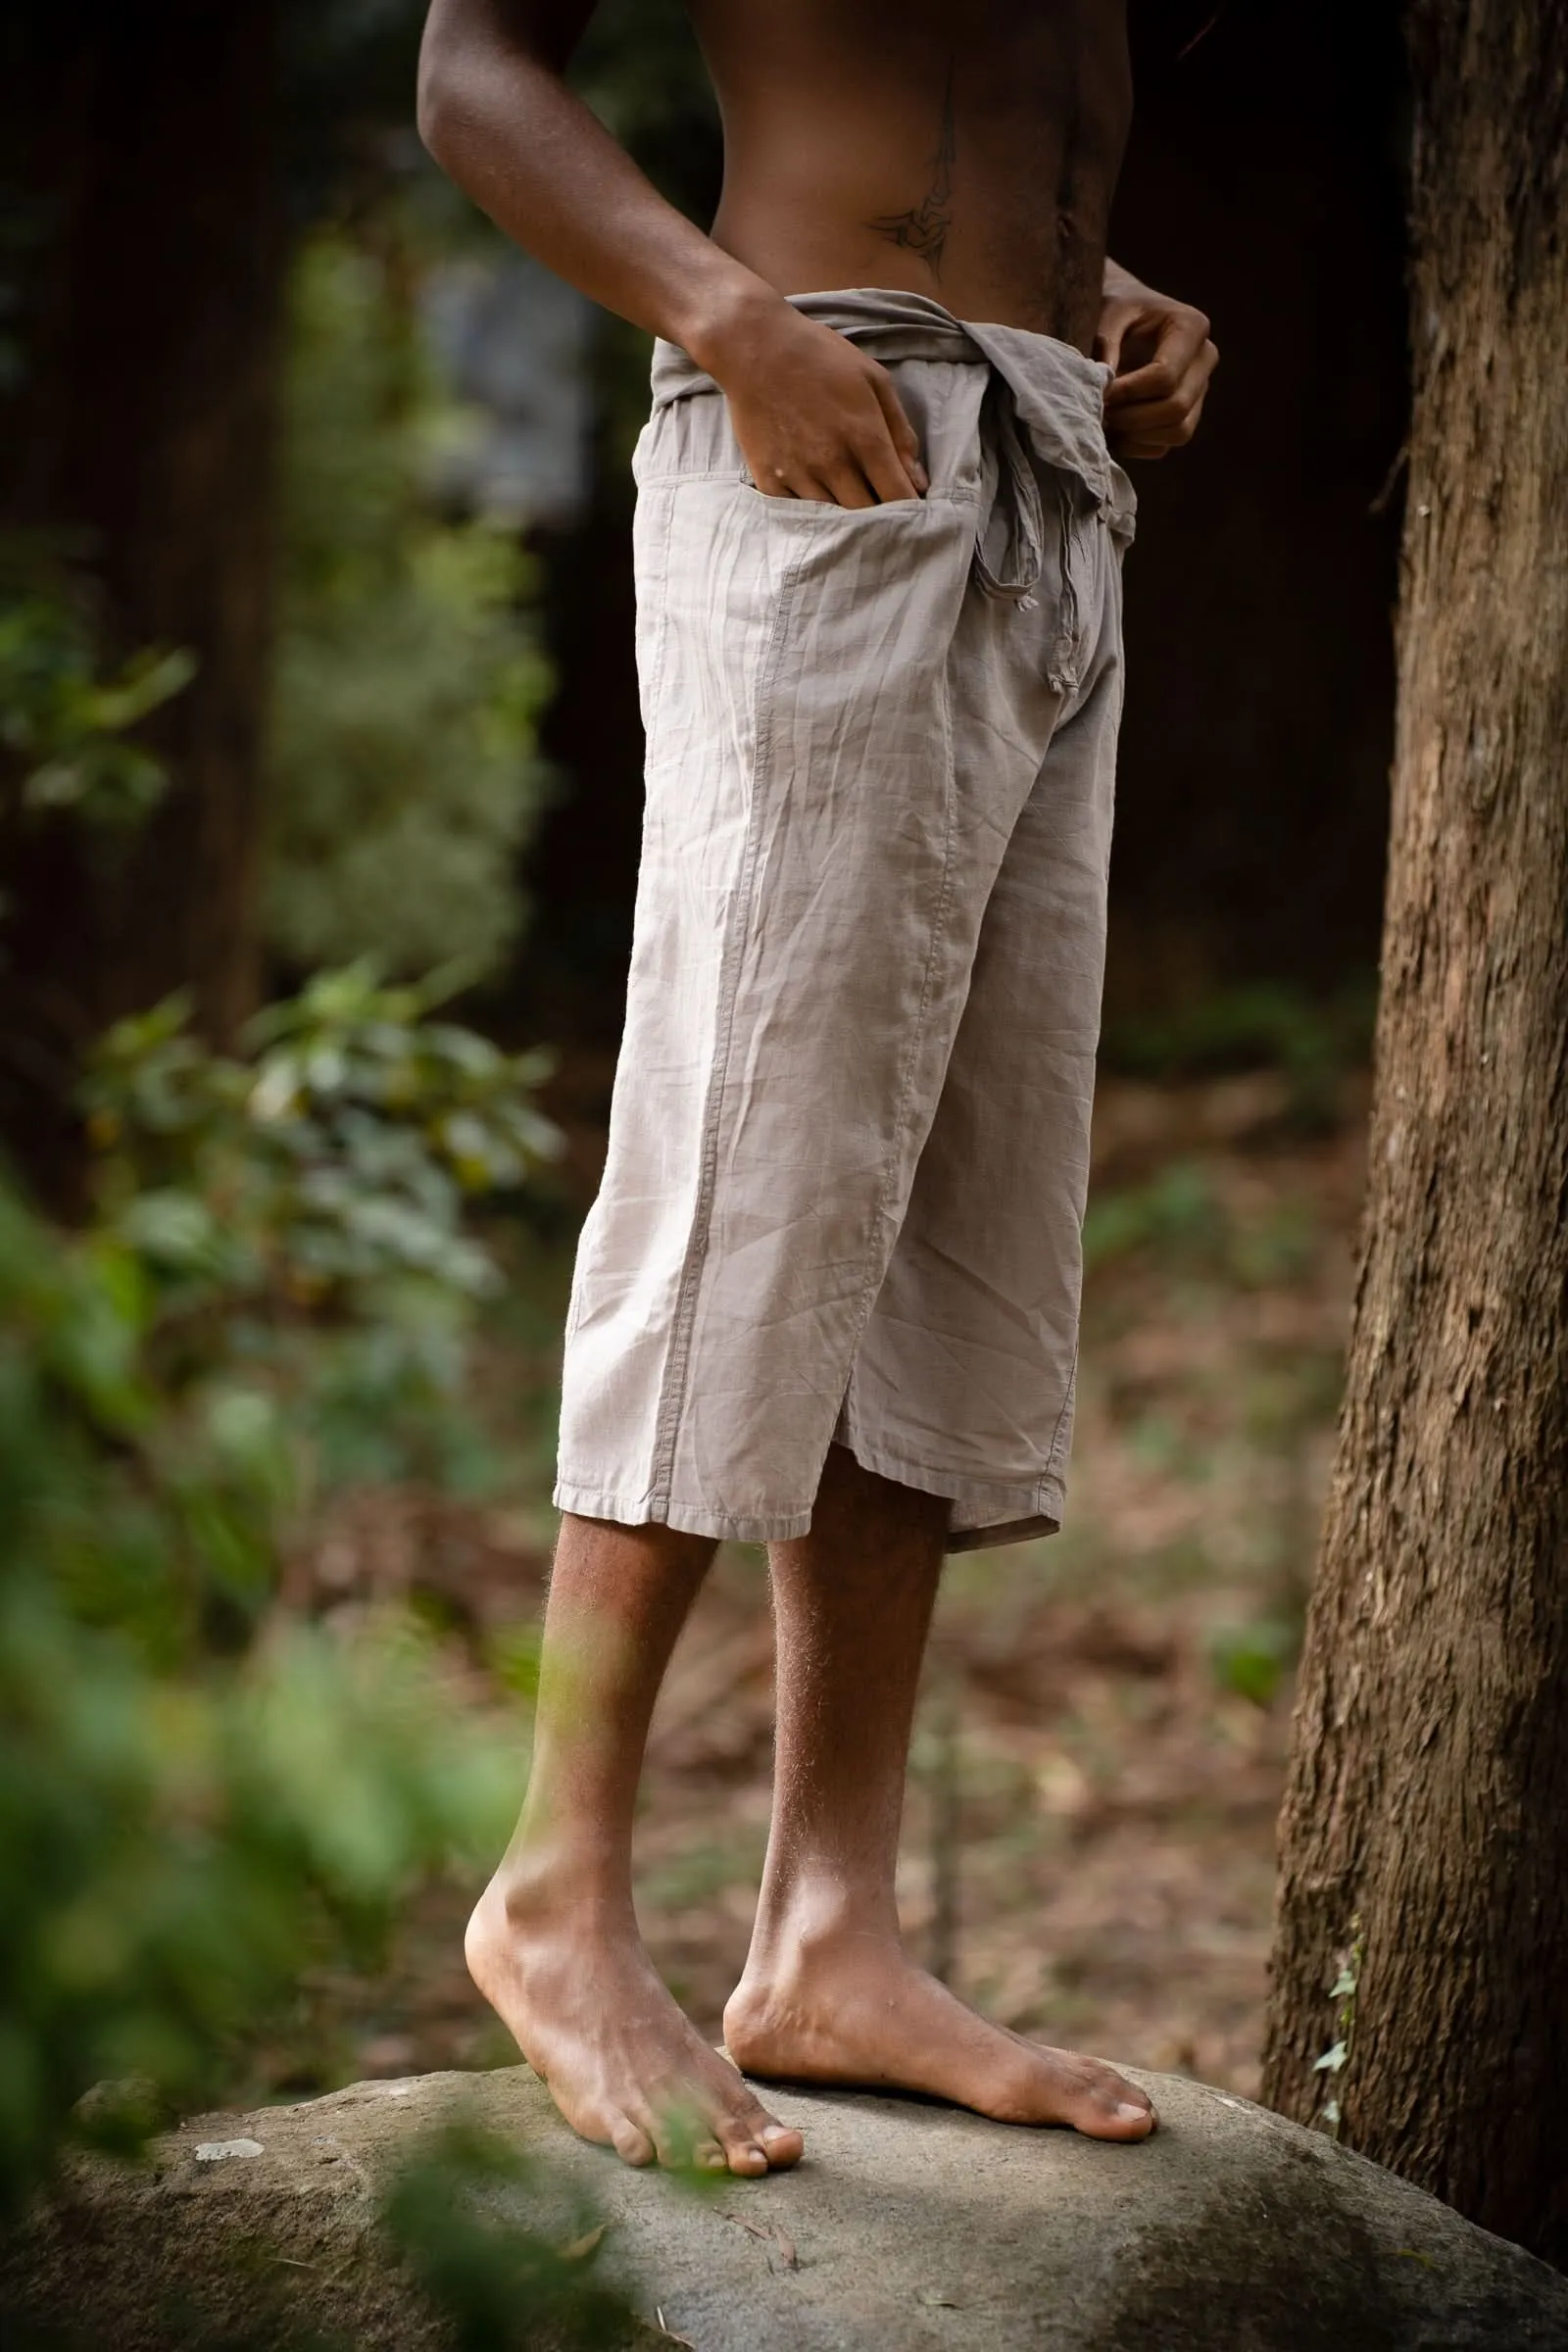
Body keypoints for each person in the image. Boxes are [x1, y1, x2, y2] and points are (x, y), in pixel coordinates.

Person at [417, 0, 1218, 2180]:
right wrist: (718, 310)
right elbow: (468, 63)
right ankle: (559, 1893)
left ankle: (829, 1930)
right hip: (813, 433)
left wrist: (1099, 290)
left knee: (941, 1195)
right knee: (746, 1163)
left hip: (1044, 461)